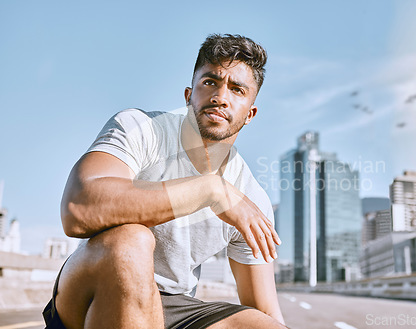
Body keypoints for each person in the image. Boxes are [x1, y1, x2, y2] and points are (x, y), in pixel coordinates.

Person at [42, 34, 287, 329]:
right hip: (94, 286)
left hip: (174, 306)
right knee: (131, 240)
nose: (220, 97)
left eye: (237, 89)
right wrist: (209, 189)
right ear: (188, 95)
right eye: (210, 82)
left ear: (250, 114)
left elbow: (266, 310)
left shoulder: (250, 197)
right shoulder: (142, 129)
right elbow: (77, 210)